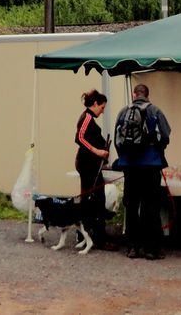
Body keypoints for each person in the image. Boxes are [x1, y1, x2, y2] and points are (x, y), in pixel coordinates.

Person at [112, 84, 171, 260]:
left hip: (130, 166)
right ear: (147, 95)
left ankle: (132, 247)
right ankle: (151, 249)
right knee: (150, 206)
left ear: (133, 95)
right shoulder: (155, 111)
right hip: (151, 165)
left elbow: (117, 139)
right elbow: (166, 135)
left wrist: (124, 157)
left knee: (131, 206)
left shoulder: (123, 112)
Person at [73, 89, 113, 249]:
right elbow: (79, 138)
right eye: (102, 108)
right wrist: (97, 151)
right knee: (93, 199)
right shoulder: (87, 118)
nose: (102, 111)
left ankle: (88, 235)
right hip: (87, 164)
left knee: (93, 199)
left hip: (92, 164)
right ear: (95, 103)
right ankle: (95, 237)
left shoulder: (89, 118)